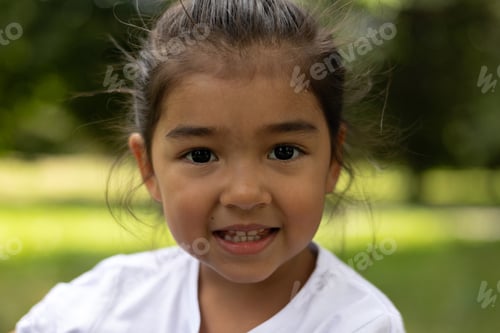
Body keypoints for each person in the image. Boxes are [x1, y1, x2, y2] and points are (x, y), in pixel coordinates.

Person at [15, 0, 405, 332]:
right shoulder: (98, 306)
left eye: (284, 152)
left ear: (333, 161)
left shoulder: (359, 322)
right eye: (201, 155)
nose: (245, 194)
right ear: (148, 168)